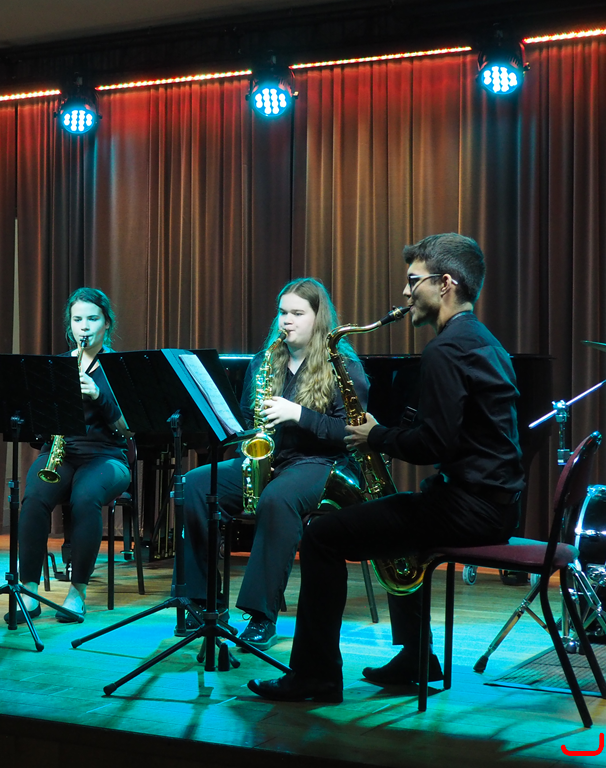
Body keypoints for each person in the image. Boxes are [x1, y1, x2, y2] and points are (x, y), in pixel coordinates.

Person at [248, 233, 525, 703]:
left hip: (469, 508)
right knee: (396, 521)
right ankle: (418, 655)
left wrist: (375, 435)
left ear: (445, 283)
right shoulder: (482, 341)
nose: (405, 292)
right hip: (493, 504)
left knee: (322, 536)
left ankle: (315, 677)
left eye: (413, 281)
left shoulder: (446, 350)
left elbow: (434, 443)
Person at [177, 278, 368, 649]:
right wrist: (249, 448)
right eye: (283, 313)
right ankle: (202, 601)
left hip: (318, 462)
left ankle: (261, 615)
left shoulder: (343, 366)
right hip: (269, 458)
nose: (287, 321)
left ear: (318, 318)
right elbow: (246, 420)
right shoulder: (264, 362)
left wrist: (298, 414)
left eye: (297, 313)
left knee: (277, 500)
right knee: (197, 484)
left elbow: (349, 432)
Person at [14, 288, 131, 623]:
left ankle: (77, 592)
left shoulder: (118, 368)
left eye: (92, 319)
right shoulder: (57, 365)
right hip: (62, 452)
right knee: (34, 497)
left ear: (107, 324)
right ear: (70, 325)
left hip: (107, 456)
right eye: (78, 319)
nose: (85, 326)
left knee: (85, 498)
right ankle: (29, 591)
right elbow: (35, 421)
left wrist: (97, 395)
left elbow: (128, 430)